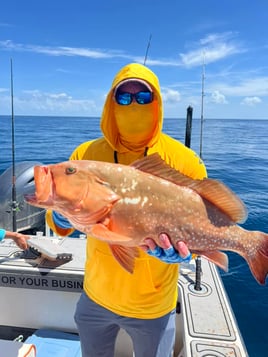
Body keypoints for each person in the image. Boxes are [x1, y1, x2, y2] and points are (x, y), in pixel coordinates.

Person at [46, 63, 207, 357]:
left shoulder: (185, 161)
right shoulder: (85, 155)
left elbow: (202, 222)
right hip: (96, 297)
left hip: (153, 306)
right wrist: (57, 215)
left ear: (156, 103)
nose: (133, 104)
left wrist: (188, 253)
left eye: (143, 97)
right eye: (124, 97)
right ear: (111, 103)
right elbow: (64, 224)